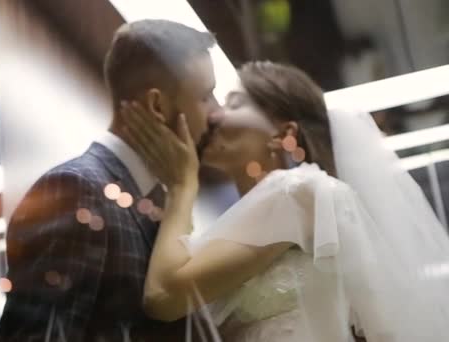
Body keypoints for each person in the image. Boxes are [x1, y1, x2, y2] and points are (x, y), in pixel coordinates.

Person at [121, 61, 449, 341]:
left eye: (234, 104)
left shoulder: (296, 191)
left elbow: (163, 298)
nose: (215, 116)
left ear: (282, 133)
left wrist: (181, 187)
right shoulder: (268, 211)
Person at [0, 19, 223, 341]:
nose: (216, 112)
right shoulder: (75, 190)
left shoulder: (156, 199)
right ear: (157, 106)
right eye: (206, 96)